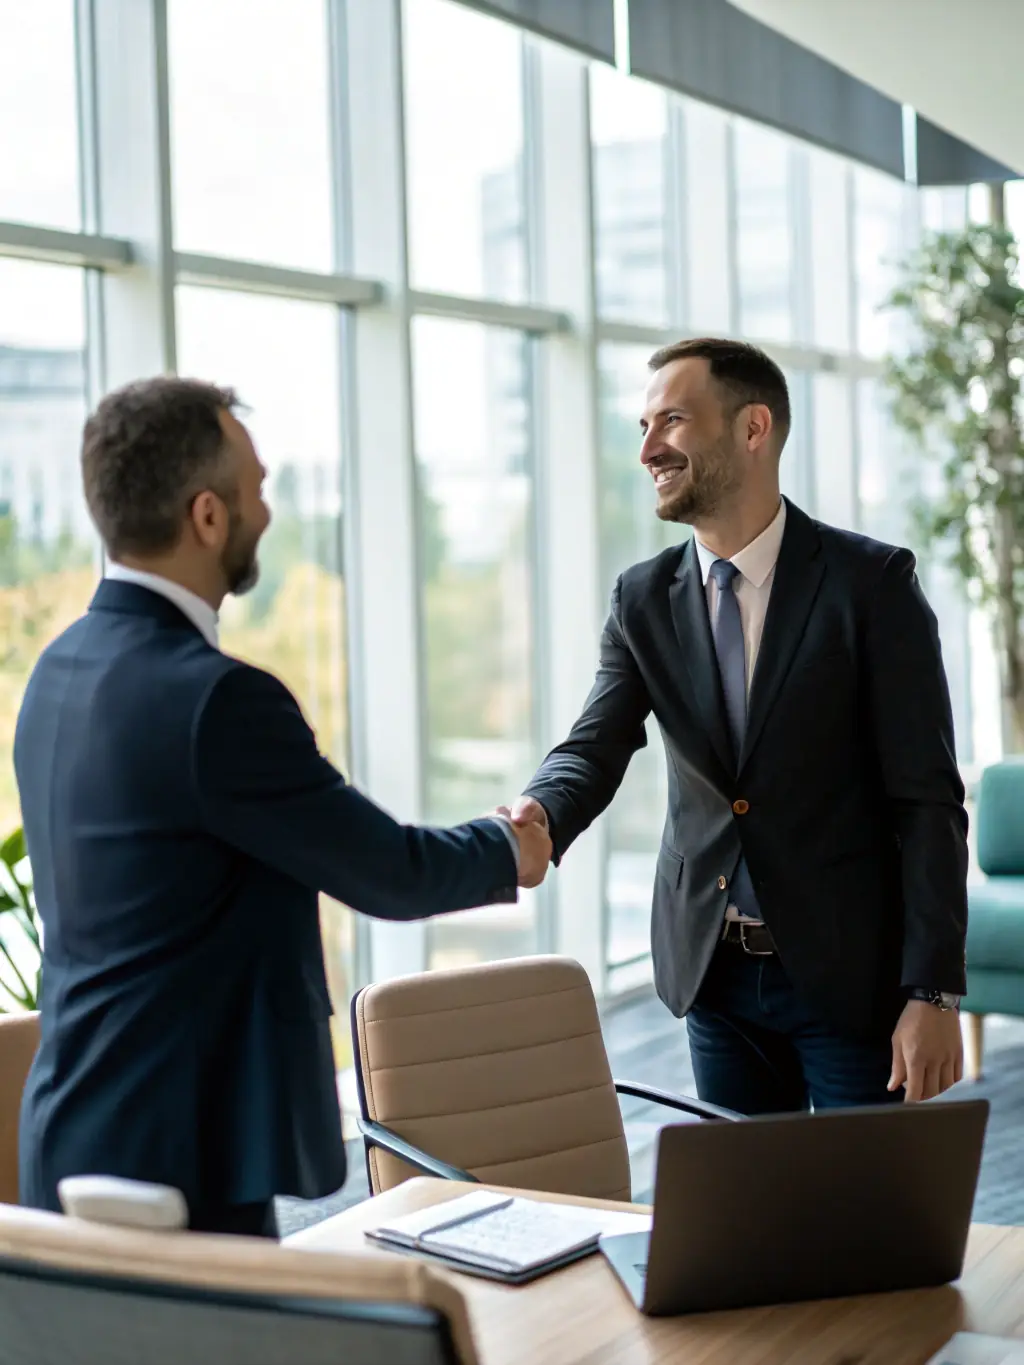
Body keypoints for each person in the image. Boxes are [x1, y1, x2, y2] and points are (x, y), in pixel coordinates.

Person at [14, 376, 551, 1238]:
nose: (267, 506)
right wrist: (507, 849)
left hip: (68, 1137)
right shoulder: (216, 702)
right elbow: (386, 869)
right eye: (256, 486)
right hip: (178, 1163)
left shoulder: (56, 671)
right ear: (208, 516)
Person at [505, 338, 967, 1115]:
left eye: (673, 421)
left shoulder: (871, 587)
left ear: (753, 429)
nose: (648, 448)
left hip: (848, 979)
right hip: (712, 975)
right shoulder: (642, 598)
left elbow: (927, 801)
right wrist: (540, 813)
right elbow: (596, 742)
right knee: (747, 1220)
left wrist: (934, 990)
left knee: (861, 1221)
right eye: (643, 426)